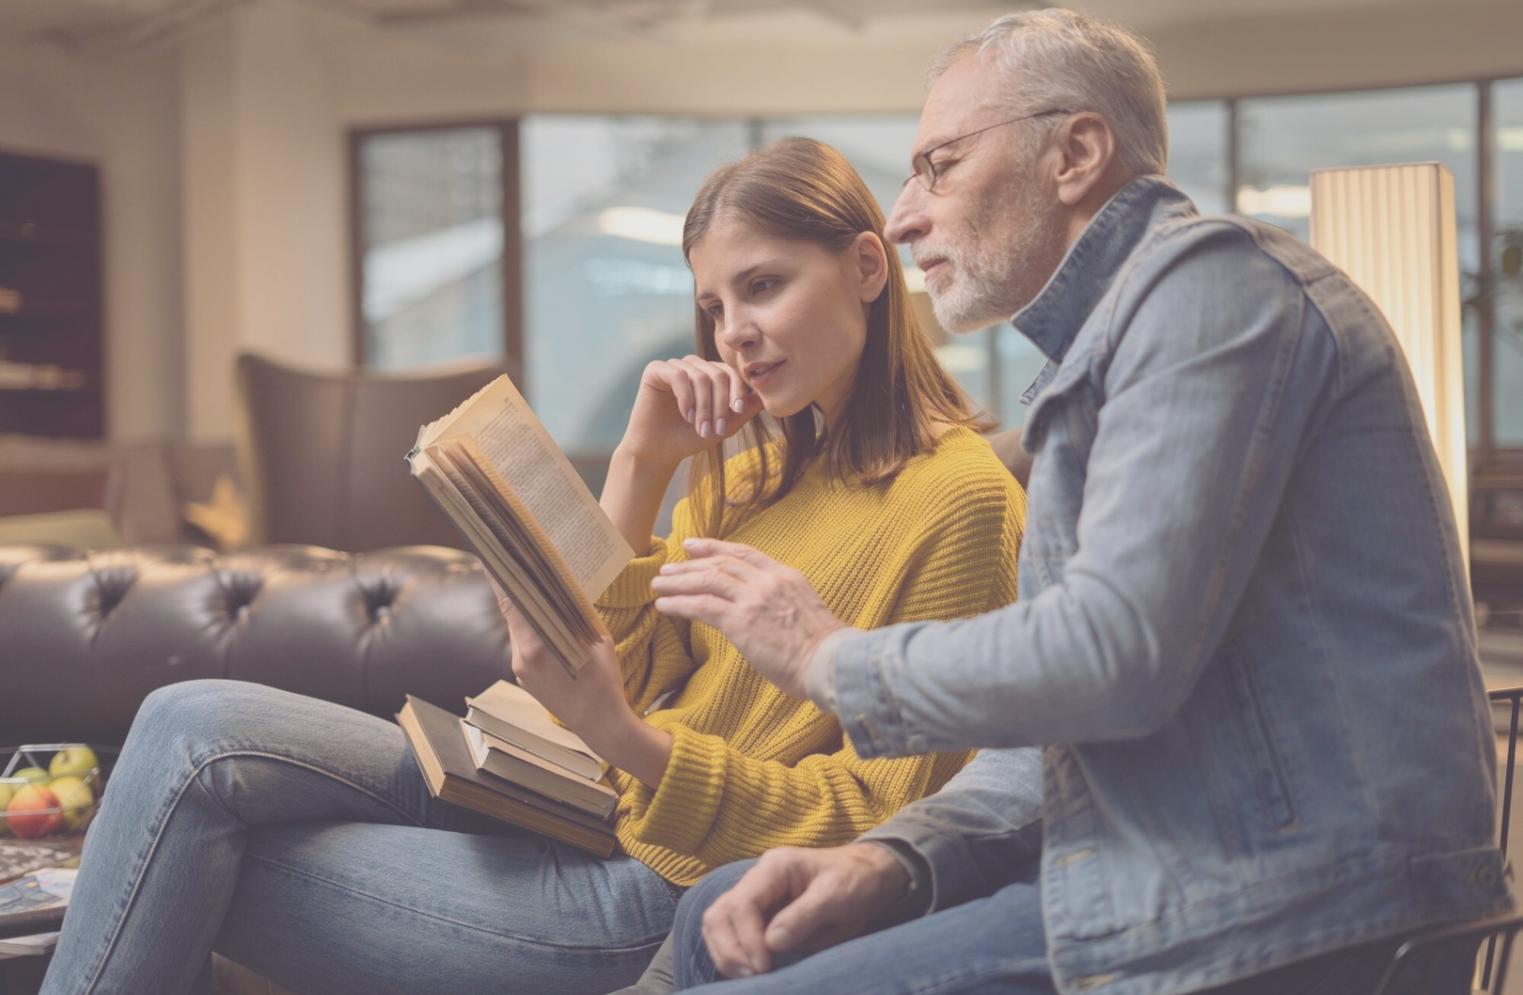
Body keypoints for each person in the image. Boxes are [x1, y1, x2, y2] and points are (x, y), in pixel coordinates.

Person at [37, 136, 1027, 995]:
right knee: (183, 720)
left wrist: (625, 738)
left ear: (865, 267)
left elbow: (878, 820)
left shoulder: (961, 500)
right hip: (566, 796)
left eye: (762, 284)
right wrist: (639, 464)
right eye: (714, 303)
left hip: (654, 883)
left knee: (170, 853)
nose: (733, 331)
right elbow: (634, 671)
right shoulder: (749, 469)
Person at [656, 11, 1514, 995]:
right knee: (707, 917)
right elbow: (1065, 726)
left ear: (1073, 152)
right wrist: (899, 855)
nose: (900, 217)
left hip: (1299, 908)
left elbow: (1113, 654)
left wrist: (822, 652)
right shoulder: (1102, 362)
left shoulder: (1215, 288)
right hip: (1173, 872)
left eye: (937, 163)